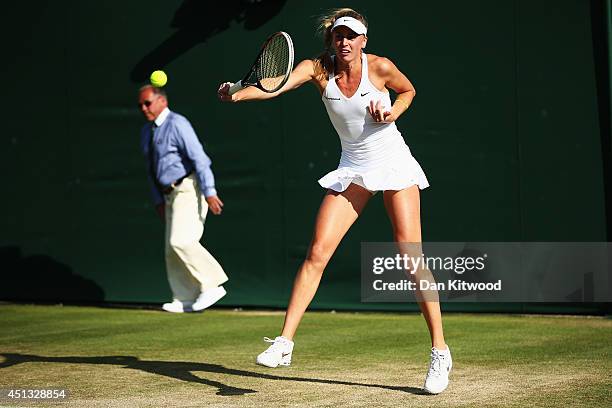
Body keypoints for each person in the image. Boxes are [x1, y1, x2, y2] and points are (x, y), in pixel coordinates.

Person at [218, 8, 452, 394]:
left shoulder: (380, 68)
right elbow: (274, 83)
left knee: (411, 256)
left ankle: (440, 351)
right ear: (332, 40)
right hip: (353, 168)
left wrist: (392, 111)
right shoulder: (317, 69)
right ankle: (285, 343)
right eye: (338, 35)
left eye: (352, 35)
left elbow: (408, 91)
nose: (344, 42)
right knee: (317, 252)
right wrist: (237, 93)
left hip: (393, 163)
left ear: (364, 40)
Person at [138, 85, 228, 313]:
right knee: (171, 248)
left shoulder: (178, 124)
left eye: (147, 103)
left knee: (182, 241)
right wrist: (158, 199)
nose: (143, 108)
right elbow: (151, 170)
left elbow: (200, 158)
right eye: (140, 105)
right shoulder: (146, 132)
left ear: (162, 102)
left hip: (188, 188)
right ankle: (185, 297)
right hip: (168, 196)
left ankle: (213, 285)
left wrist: (209, 190)